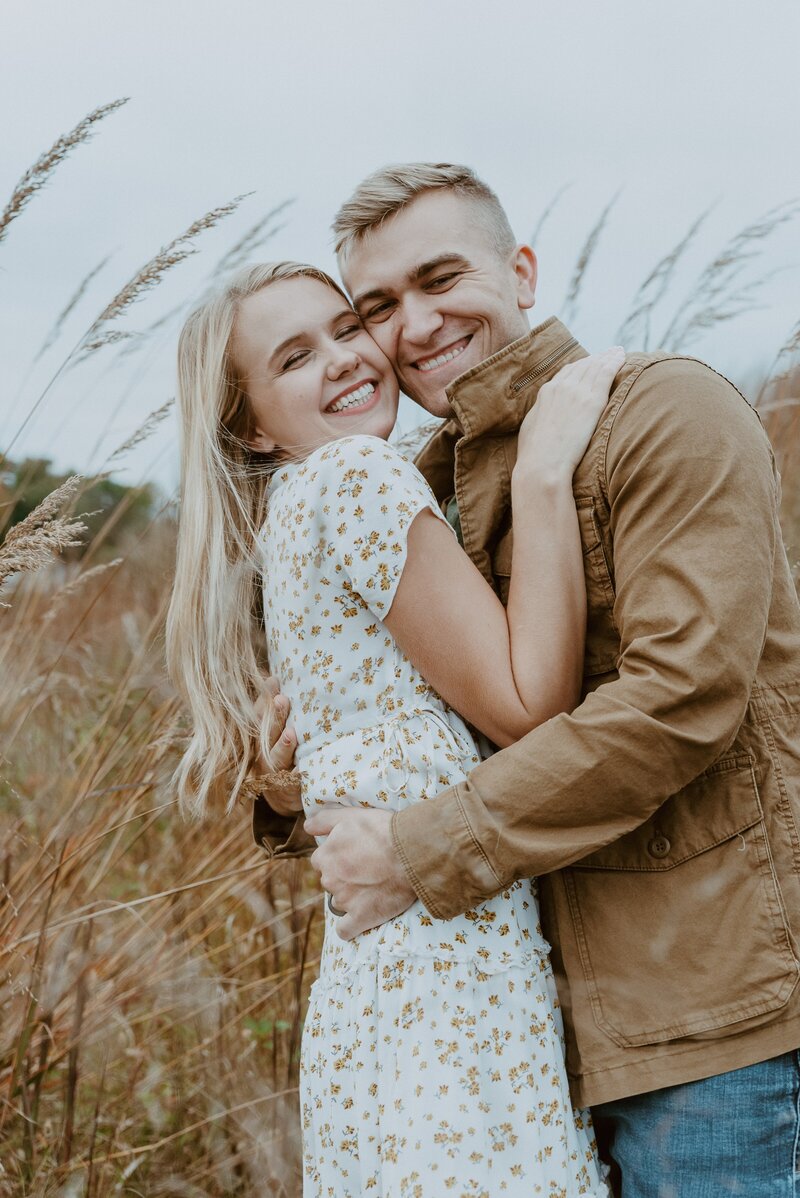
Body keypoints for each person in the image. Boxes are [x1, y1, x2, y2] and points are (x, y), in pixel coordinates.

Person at [257, 164, 800, 1196]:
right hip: (531, 1041)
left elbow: (678, 702)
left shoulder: (661, 411)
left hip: (712, 1026)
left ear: (519, 271)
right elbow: (414, 732)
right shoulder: (411, 491)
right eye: (377, 305)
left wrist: (421, 846)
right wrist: (296, 793)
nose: (411, 325)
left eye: (439, 278)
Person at [166, 259, 620, 1195]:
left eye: (344, 327)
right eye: (295, 357)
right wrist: (541, 476)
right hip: (447, 963)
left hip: (382, 979)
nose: (343, 359)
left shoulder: (290, 520)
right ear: (250, 424)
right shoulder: (358, 476)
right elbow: (532, 708)